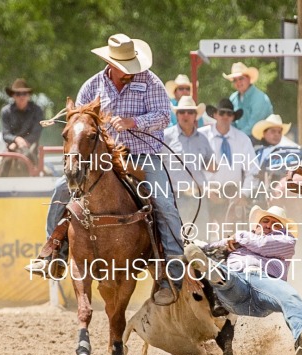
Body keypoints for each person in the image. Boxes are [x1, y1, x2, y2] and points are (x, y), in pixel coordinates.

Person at [25, 33, 184, 306]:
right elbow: (79, 120)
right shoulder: (92, 86)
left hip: (143, 155)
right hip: (104, 157)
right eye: (124, 67)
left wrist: (133, 122)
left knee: (164, 204)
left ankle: (173, 273)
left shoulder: (151, 81)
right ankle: (54, 252)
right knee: (60, 191)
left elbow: (164, 117)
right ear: (112, 63)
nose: (129, 72)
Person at [185, 205, 302, 355]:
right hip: (238, 281)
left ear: (282, 228)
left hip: (265, 282)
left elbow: (263, 245)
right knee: (224, 275)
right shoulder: (237, 240)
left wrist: (240, 237)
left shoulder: (287, 241)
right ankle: (213, 271)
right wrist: (189, 258)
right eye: (266, 221)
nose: (269, 225)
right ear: (258, 224)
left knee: (289, 296)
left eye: (275, 224)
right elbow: (208, 248)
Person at [199, 98, 260, 228]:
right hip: (204, 195)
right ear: (215, 114)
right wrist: (205, 189)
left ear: (233, 117)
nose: (225, 117)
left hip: (233, 196)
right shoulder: (201, 136)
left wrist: (244, 193)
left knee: (230, 239)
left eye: (229, 114)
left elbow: (253, 170)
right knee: (201, 237)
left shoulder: (242, 139)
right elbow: (190, 167)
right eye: (222, 113)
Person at [163, 95, 215, 233]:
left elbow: (211, 164)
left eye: (190, 112)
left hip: (199, 197)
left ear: (195, 116)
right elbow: (158, 167)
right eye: (182, 112)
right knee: (178, 238)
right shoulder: (166, 137)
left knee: (202, 237)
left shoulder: (203, 138)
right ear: (177, 115)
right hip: (176, 196)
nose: (186, 115)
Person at [0, 78, 43, 176]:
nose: (21, 97)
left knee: (43, 173)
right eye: (18, 94)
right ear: (13, 96)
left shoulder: (37, 110)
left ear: (28, 95)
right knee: (0, 169)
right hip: (11, 148)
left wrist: (21, 143)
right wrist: (16, 140)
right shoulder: (6, 111)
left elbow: (36, 133)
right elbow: (5, 134)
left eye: (24, 94)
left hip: (31, 149)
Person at [224, 62, 273, 141]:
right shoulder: (233, 98)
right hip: (238, 139)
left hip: (259, 141)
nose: (238, 83)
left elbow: (254, 126)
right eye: (235, 80)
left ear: (249, 79)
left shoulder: (260, 98)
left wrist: (236, 138)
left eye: (241, 78)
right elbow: (230, 122)